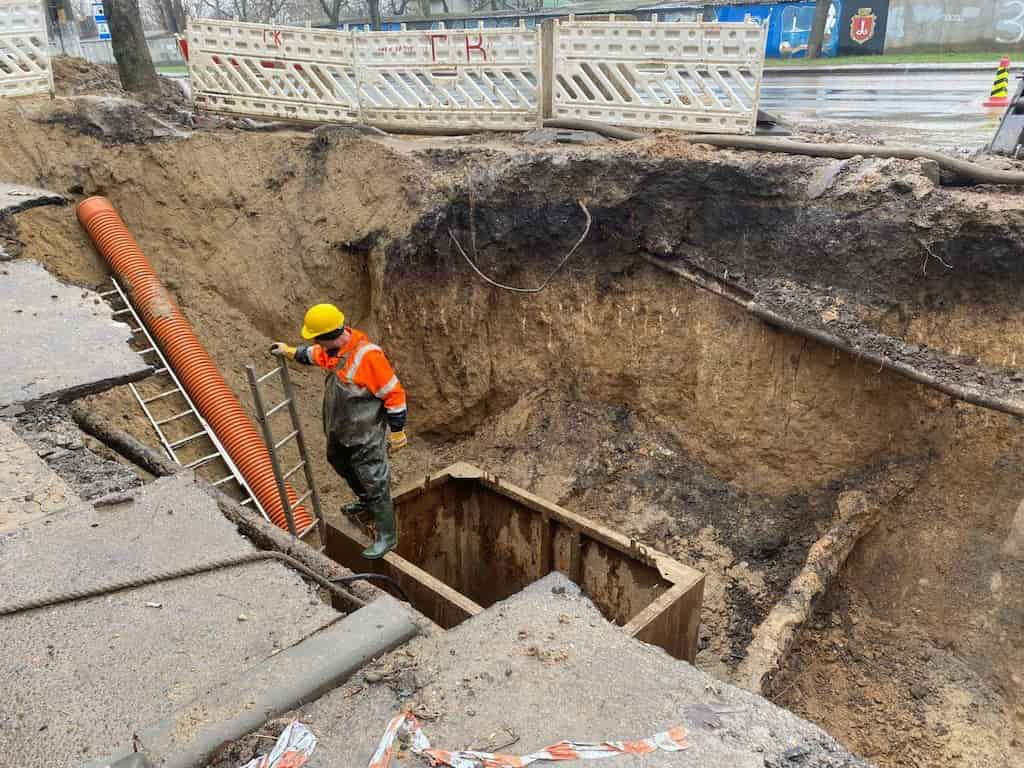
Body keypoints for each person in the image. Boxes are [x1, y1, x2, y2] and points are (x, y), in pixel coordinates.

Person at [271, 303, 407, 559]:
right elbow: (313, 355)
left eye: (317, 339)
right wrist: (289, 351)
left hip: (365, 435)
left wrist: (397, 431)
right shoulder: (335, 351)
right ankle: (366, 500)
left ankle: (387, 536)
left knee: (374, 479)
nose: (316, 344)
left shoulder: (368, 356)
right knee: (338, 461)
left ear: (327, 336)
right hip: (341, 430)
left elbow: (394, 393)